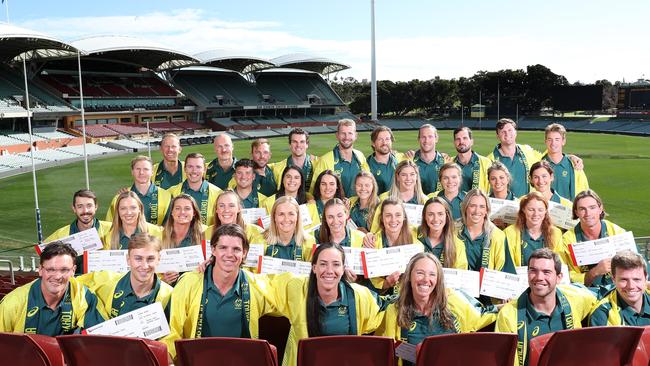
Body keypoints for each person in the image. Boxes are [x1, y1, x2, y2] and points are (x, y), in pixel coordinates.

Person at [162, 224, 276, 362]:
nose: (229, 254)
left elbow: (291, 294)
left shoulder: (257, 285)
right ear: (213, 250)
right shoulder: (188, 283)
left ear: (244, 253)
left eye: (236, 249)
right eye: (223, 248)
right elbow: (171, 332)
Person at [271, 243, 384, 366]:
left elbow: (385, 308)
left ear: (343, 269)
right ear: (314, 267)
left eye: (336, 264)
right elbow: (263, 287)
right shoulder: (296, 288)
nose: (329, 271)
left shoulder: (359, 295)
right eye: (323, 264)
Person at [376, 253, 497, 366]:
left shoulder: (454, 300)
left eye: (432, 274)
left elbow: (484, 314)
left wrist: (509, 305)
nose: (426, 279)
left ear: (438, 279)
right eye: (420, 273)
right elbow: (389, 352)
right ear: (409, 276)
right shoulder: (395, 309)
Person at [495, 248, 596, 366]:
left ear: (559, 277)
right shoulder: (509, 314)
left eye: (546, 272)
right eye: (533, 270)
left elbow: (604, 297)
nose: (539, 277)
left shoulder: (576, 298)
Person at [0, 242, 106, 335]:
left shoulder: (81, 295)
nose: (57, 276)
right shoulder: (13, 303)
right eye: (51, 269)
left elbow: (99, 336)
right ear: (40, 269)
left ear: (73, 271)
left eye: (64, 270)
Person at [76, 234, 173, 318]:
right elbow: (70, 283)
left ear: (159, 259)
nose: (144, 266)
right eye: (138, 259)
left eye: (150, 259)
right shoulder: (105, 280)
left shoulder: (170, 295)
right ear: (128, 259)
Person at [559, 190, 626, 292]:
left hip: (618, 291)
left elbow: (636, 266)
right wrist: (595, 272)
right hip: (584, 294)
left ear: (600, 209)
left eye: (592, 207)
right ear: (576, 212)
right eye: (582, 209)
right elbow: (564, 277)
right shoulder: (566, 240)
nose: (588, 213)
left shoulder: (617, 232)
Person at [45, 189, 112, 274]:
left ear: (96, 207)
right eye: (80, 206)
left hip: (103, 283)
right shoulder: (60, 234)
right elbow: (44, 255)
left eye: (89, 206)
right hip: (73, 283)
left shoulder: (111, 228)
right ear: (74, 209)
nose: (85, 211)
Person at [363, 199, 418, 293]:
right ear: (381, 218)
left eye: (398, 215)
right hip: (380, 298)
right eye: (388, 215)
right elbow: (369, 283)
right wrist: (386, 284)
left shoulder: (416, 243)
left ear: (404, 217)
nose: (393, 220)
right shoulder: (372, 243)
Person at [455, 189, 512, 273]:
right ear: (465, 208)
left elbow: (505, 270)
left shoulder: (498, 236)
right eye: (472, 206)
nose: (477, 211)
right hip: (458, 284)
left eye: (482, 207)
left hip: (488, 284)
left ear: (486, 211)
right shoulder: (452, 232)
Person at [310, 118, 370, 197]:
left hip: (358, 207)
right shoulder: (325, 160)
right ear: (337, 135)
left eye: (350, 133)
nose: (346, 137)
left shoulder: (360, 156)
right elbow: (315, 189)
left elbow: (368, 182)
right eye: (343, 133)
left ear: (355, 136)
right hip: (334, 207)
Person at [106, 155, 171, 225]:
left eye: (146, 169)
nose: (141, 173)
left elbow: (170, 226)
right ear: (132, 172)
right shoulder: (119, 198)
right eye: (138, 169)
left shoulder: (166, 196)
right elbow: (110, 226)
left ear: (152, 172)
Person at [589, 250, 650, 326]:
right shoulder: (602, 314)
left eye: (636, 279)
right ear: (613, 279)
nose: (631, 286)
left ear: (646, 278)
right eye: (623, 280)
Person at [503, 192, 563, 267]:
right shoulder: (509, 233)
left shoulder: (555, 233)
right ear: (523, 209)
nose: (536, 214)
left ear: (546, 211)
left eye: (540, 210)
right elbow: (508, 266)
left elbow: (558, 266)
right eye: (531, 210)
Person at [487, 119, 542, 197]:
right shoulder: (490, 160)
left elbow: (545, 162)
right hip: (503, 205)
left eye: (510, 130)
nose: (507, 134)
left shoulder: (527, 151)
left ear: (515, 132)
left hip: (527, 204)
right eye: (503, 131)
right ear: (497, 135)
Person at [160, 194, 207, 285]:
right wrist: (162, 280)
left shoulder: (204, 234)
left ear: (194, 213)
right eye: (177, 208)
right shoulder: (160, 235)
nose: (182, 212)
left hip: (195, 288)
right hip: (167, 290)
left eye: (187, 208)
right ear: (172, 212)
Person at [369, 160, 428, 232]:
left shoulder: (425, 201)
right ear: (397, 177)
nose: (408, 178)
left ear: (416, 177)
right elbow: (376, 229)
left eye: (412, 174)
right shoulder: (384, 198)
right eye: (404, 175)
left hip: (416, 242)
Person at [168, 153, 222, 226]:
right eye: (190, 166)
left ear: (204, 169)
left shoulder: (218, 194)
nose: (194, 171)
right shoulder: (171, 192)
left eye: (198, 167)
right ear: (185, 169)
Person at [261, 196, 316, 262]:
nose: (286, 219)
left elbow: (313, 270)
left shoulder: (309, 241)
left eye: (291, 214)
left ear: (297, 217)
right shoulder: (260, 240)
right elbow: (252, 270)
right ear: (274, 217)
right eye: (281, 214)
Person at [417, 197, 467, 269]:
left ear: (447, 216)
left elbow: (460, 276)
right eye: (430, 214)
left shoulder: (458, 245)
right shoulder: (413, 234)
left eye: (440, 214)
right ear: (424, 216)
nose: (436, 219)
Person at [542, 123, 589, 199]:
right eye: (550, 139)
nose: (553, 143)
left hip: (568, 210)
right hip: (544, 210)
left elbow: (585, 193)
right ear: (545, 141)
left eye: (557, 139)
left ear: (563, 141)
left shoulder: (575, 166)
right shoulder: (538, 164)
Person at [366, 125, 406, 195]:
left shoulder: (400, 160)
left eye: (387, 139)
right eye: (380, 139)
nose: (384, 143)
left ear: (391, 141)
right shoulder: (367, 165)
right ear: (373, 143)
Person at [452, 127, 491, 193]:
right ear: (454, 143)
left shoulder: (486, 163)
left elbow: (490, 190)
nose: (461, 142)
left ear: (471, 141)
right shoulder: (449, 162)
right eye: (458, 139)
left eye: (465, 138)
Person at [412, 124, 448, 195]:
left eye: (430, 136)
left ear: (436, 139)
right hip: (415, 205)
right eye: (423, 137)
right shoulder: (410, 161)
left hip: (438, 204)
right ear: (418, 139)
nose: (426, 140)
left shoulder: (446, 161)